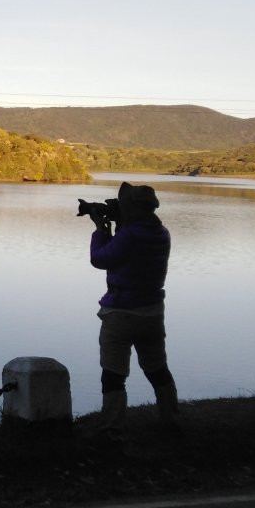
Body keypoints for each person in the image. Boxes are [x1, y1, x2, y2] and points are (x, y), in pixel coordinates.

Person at [88, 181, 180, 438]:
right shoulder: (162, 233)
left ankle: (111, 427)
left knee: (113, 373)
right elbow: (131, 248)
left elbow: (100, 259)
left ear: (133, 209)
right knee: (157, 368)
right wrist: (119, 224)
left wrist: (100, 230)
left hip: (121, 312)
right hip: (152, 312)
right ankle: (171, 420)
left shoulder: (130, 235)